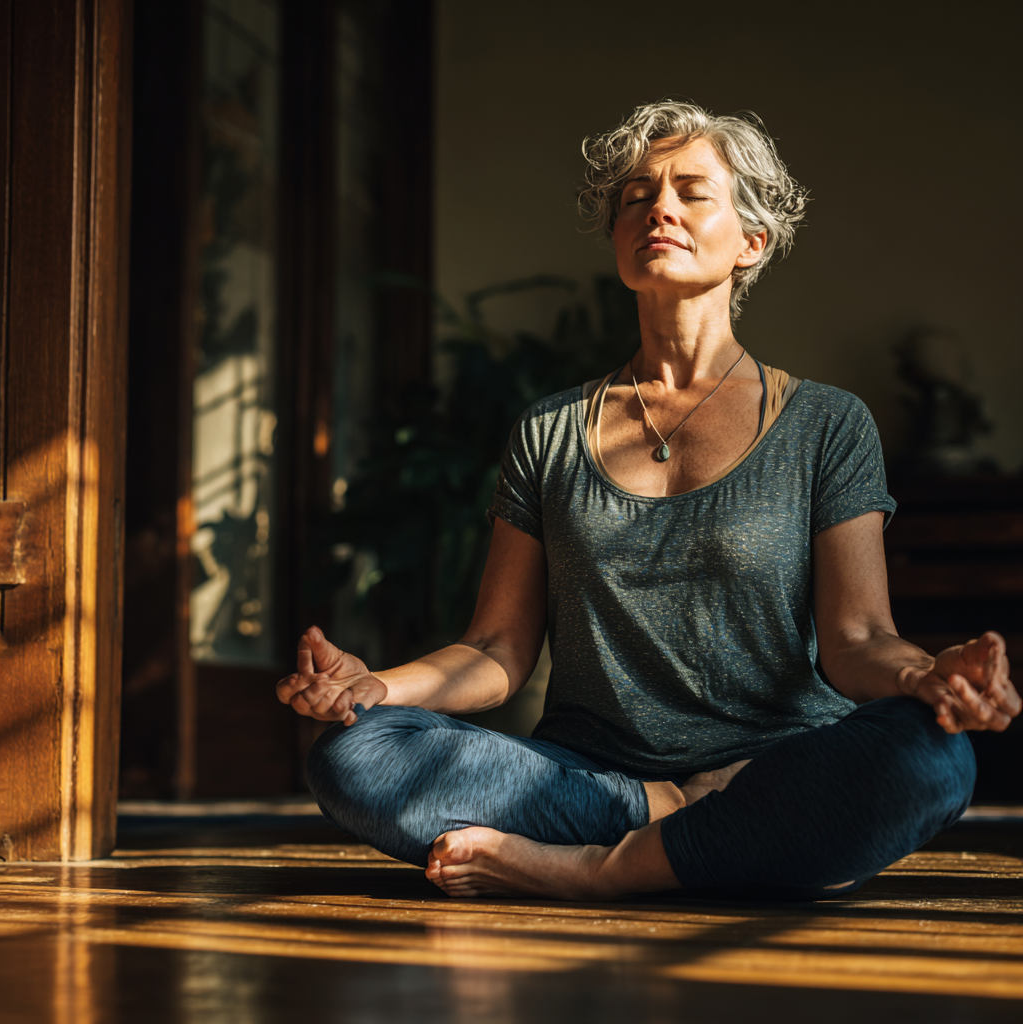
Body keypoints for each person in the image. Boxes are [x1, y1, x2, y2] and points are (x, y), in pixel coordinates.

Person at [277, 101, 1019, 902]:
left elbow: (859, 638)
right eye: (636, 195)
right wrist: (373, 687)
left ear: (752, 243)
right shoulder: (550, 430)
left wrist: (927, 677)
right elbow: (495, 650)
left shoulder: (826, 424)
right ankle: (692, 828)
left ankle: (600, 868)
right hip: (590, 778)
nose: (657, 207)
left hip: (775, 763)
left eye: (692, 191)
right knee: (354, 754)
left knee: (936, 757)